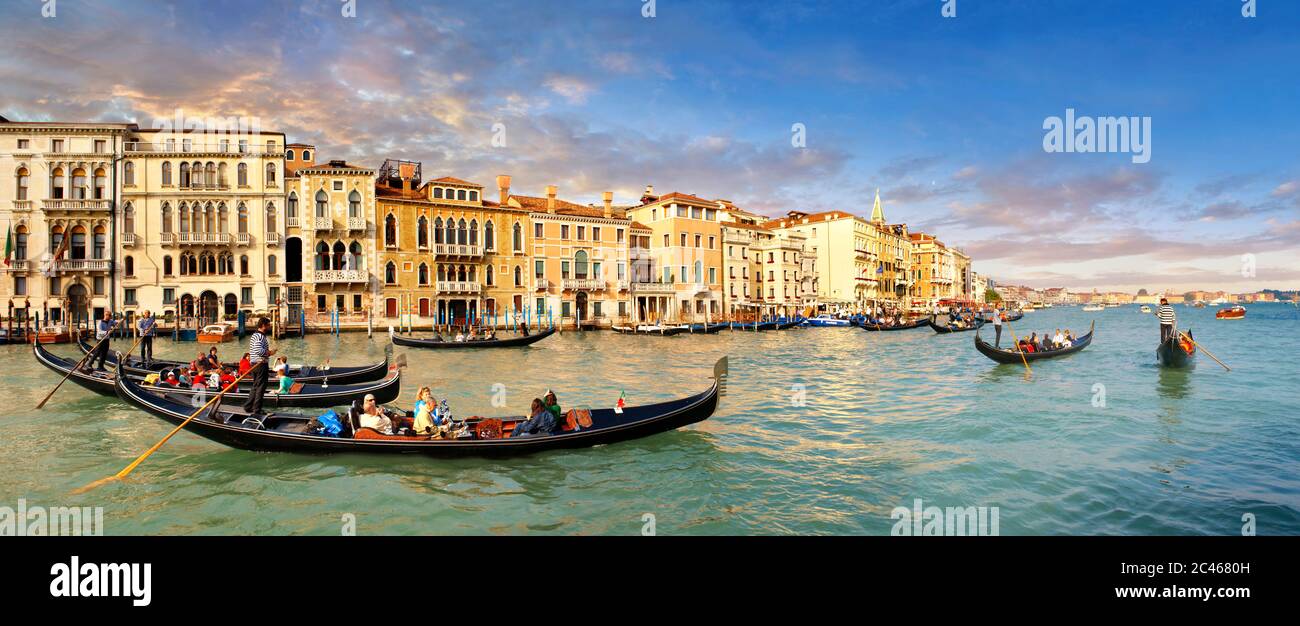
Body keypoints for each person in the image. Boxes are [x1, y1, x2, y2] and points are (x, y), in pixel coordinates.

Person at [241, 317, 276, 419]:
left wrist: (268, 353)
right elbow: (258, 350)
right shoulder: (259, 336)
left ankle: (248, 406)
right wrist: (270, 353)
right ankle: (257, 410)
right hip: (260, 364)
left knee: (256, 386)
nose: (269, 327)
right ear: (264, 325)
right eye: (268, 325)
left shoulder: (256, 335)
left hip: (255, 364)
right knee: (261, 387)